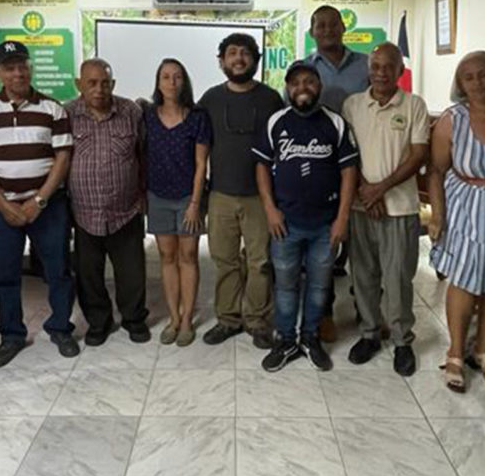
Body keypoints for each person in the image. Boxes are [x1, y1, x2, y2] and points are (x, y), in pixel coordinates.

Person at [0, 40, 79, 364]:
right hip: (4, 207)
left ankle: (61, 327)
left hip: (49, 206)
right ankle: (11, 334)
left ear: (30, 68)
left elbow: (63, 158)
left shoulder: (52, 109)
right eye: (10, 67)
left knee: (58, 269)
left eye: (22, 66)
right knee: (5, 273)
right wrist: (2, 204)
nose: (18, 73)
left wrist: (39, 201)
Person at [254, 61, 358, 372]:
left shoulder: (335, 123)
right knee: (285, 286)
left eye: (309, 81)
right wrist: (270, 210)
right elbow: (261, 166)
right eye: (296, 82)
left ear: (319, 86)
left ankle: (310, 338)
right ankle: (286, 340)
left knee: (319, 287)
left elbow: (349, 171)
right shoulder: (277, 122)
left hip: (325, 225)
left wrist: (342, 219)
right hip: (285, 223)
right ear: (287, 87)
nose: (303, 87)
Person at [342, 43, 429, 377]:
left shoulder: (413, 106)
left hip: (400, 208)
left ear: (399, 70)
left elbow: (418, 155)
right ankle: (369, 333)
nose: (380, 72)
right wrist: (367, 192)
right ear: (368, 68)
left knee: (398, 279)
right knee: (362, 275)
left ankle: (402, 340)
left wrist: (380, 189)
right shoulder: (353, 104)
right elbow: (348, 152)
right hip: (360, 207)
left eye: (387, 67)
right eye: (375, 66)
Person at [427, 51, 485, 394]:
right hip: (465, 205)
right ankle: (456, 352)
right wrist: (438, 215)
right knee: (463, 280)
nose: (478, 82)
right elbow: (435, 170)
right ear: (460, 84)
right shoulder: (453, 119)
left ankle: (483, 349)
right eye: (469, 77)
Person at [199, 33, 285, 348]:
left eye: (245, 53)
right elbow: (196, 145)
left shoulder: (271, 98)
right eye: (232, 53)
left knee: (260, 261)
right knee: (224, 261)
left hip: (261, 197)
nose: (238, 59)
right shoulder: (210, 99)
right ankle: (228, 319)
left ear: (255, 60)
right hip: (220, 194)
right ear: (222, 61)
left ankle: (257, 321)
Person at [65, 58, 151, 345]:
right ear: (79, 84)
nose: (99, 89)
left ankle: (133, 318)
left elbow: (142, 155)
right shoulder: (66, 114)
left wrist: (142, 196)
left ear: (113, 84)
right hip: (84, 212)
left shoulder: (131, 111)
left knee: (132, 273)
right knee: (88, 274)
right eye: (91, 83)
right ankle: (99, 322)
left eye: (105, 83)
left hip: (125, 211)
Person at [304, 5, 371, 342]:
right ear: (312, 31)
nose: (327, 29)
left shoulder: (366, 65)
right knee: (326, 242)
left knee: (363, 243)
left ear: (343, 27)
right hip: (322, 164)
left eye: (333, 24)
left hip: (367, 160)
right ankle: (326, 311)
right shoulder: (304, 69)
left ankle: (366, 307)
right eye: (321, 25)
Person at [143, 58, 211, 346]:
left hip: (188, 198)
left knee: (188, 257)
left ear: (185, 82)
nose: (172, 82)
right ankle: (173, 317)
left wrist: (195, 203)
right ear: (158, 83)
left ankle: (186, 322)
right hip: (157, 196)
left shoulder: (197, 117)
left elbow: (201, 165)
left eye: (178, 77)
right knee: (167, 259)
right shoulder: (146, 116)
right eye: (166, 77)